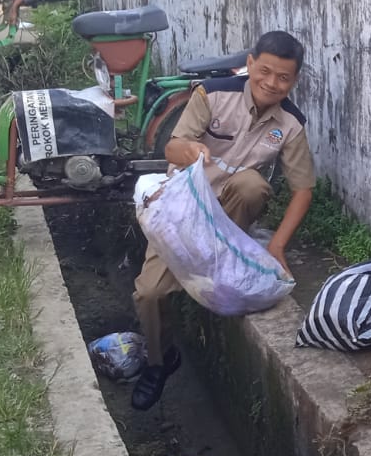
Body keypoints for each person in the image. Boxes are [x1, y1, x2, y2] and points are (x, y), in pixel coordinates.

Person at [130, 30, 316, 410]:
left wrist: (277, 246)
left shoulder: (291, 124)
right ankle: (159, 361)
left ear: (294, 81)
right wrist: (191, 149)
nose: (271, 83)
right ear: (249, 65)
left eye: (283, 77)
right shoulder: (212, 93)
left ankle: (214, 262)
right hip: (182, 210)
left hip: (228, 217)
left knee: (252, 184)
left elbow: (303, 189)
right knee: (149, 294)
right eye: (264, 71)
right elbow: (171, 146)